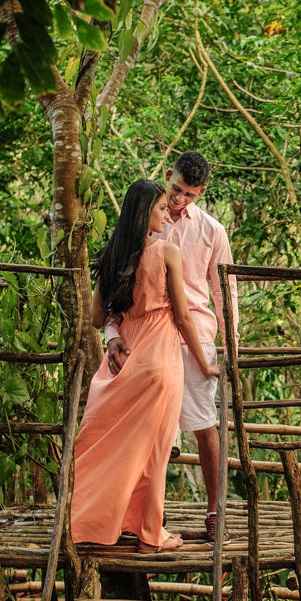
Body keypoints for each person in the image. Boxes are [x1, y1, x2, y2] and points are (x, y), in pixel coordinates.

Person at [71, 179, 219, 553]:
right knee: (153, 449)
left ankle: (104, 521)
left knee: (109, 443)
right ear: (144, 214)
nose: (164, 212)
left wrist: (115, 334)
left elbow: (95, 317)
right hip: (161, 358)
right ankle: (150, 533)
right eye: (158, 209)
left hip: (125, 356)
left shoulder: (113, 256)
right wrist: (206, 365)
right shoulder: (168, 253)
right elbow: (184, 320)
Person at [103, 151, 237, 541]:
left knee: (203, 426)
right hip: (143, 338)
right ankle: (141, 517)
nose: (178, 201)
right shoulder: (141, 222)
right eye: (175, 190)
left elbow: (224, 291)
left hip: (195, 335)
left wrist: (231, 347)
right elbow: (116, 285)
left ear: (202, 192)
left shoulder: (212, 231)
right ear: (167, 176)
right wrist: (112, 336)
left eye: (189, 195)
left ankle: (215, 513)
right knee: (141, 429)